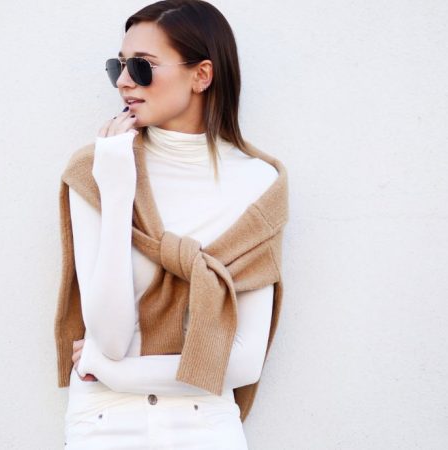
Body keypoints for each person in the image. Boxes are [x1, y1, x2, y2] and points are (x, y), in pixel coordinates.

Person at [55, 1, 289, 448]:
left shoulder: (260, 185)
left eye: (141, 67)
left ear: (201, 75)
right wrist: (117, 192)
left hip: (204, 424)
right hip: (105, 422)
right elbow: (110, 336)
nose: (123, 82)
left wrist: (113, 372)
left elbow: (244, 363)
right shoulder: (97, 168)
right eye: (118, 66)